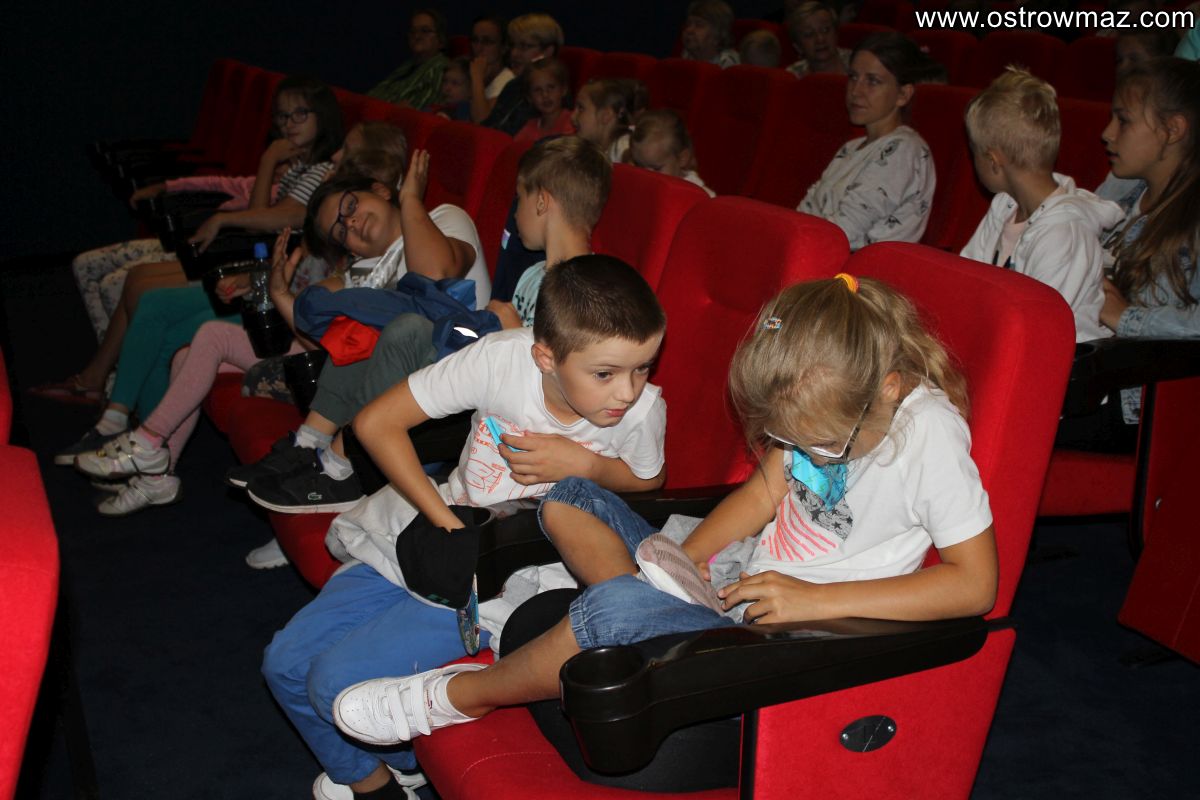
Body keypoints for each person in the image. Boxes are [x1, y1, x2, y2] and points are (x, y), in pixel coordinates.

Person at [328, 276, 998, 780]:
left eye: (818, 444)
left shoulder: (929, 435)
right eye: (789, 439)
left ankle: (457, 695)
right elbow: (764, 491)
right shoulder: (825, 399)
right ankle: (635, 613)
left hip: (790, 641)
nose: (802, 454)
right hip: (735, 591)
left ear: (886, 388)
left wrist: (814, 600)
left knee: (604, 611)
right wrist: (682, 558)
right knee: (569, 495)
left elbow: (975, 587)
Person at [261, 255, 668, 800]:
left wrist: (589, 465)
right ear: (545, 357)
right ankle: (382, 774)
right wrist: (444, 520)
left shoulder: (643, 411)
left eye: (643, 368)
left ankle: (380, 779)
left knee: (332, 681)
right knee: (284, 663)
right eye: (606, 374)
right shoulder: (501, 360)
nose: (628, 392)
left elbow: (648, 480)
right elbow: (377, 423)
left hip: (522, 572)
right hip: (445, 532)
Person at [237, 136, 610, 514]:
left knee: (406, 330)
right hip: (486, 380)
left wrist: (510, 333)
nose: (514, 215)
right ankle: (320, 453)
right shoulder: (532, 275)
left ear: (541, 202)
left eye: (519, 199)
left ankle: (343, 466)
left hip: (509, 413)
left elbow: (563, 377)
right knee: (375, 331)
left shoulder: (587, 289)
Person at [68, 124, 413, 522]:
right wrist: (269, 282)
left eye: (345, 156)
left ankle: (148, 440)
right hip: (307, 348)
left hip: (321, 369)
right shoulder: (355, 255)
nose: (334, 159)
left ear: (379, 188)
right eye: (341, 226)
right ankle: (157, 473)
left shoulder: (388, 255)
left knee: (211, 335)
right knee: (185, 355)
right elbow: (315, 307)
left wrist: (281, 292)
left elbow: (328, 336)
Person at [37, 76, 342, 407]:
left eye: (300, 114)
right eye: (282, 116)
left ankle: (116, 385)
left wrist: (230, 209)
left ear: (322, 117)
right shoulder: (296, 168)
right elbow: (245, 199)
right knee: (136, 279)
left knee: (141, 288)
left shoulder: (319, 171)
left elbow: (274, 218)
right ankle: (108, 379)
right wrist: (265, 166)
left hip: (255, 259)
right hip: (246, 250)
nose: (289, 124)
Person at [1061, 57, 1200, 451]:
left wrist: (1126, 317)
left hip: (1133, 399)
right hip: (1084, 368)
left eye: (1123, 120)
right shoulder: (1121, 191)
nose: (1107, 134)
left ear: (1172, 130)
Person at [960, 68, 1123, 342]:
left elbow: (1041, 327)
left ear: (993, 161)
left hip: (1064, 361)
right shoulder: (1003, 207)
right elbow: (966, 278)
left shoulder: (1066, 232)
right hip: (1003, 339)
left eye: (973, 152)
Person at [797, 32, 941, 251]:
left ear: (903, 94)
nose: (856, 91)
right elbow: (807, 209)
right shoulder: (851, 148)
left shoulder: (905, 149)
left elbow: (844, 231)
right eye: (853, 77)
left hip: (860, 267)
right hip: (822, 252)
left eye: (873, 81)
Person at [481, 13, 564, 135]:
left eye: (524, 46)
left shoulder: (554, 96)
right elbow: (488, 125)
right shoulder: (513, 85)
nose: (514, 53)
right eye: (513, 45)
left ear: (547, 52)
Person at [366, 9, 450, 109]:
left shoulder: (441, 68)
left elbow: (418, 112)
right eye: (413, 31)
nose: (417, 36)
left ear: (441, 40)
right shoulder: (408, 66)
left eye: (425, 31)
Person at [626, 108, 716, 196]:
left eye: (656, 169)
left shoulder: (701, 196)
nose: (647, 177)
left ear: (682, 158)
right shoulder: (639, 188)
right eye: (639, 166)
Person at [572, 78, 643, 163]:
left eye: (581, 108)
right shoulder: (595, 149)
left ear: (606, 115)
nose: (572, 116)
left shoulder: (624, 149)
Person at [467, 15, 515, 123]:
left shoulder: (509, 82)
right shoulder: (466, 72)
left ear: (503, 47)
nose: (479, 48)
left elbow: (481, 120)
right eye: (475, 40)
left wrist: (477, 77)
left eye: (487, 42)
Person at [514, 58, 573, 143]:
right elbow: (515, 147)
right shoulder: (530, 127)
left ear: (564, 89)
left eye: (551, 87)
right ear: (529, 97)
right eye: (538, 90)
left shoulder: (572, 122)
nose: (545, 95)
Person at [785, 1, 852, 77]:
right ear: (798, 47)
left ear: (836, 33)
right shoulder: (791, 76)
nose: (820, 39)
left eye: (825, 30)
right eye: (809, 34)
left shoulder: (857, 64)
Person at [681, 0, 740, 68]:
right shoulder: (686, 55)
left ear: (718, 35)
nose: (689, 30)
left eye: (699, 25)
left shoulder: (728, 62)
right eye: (688, 24)